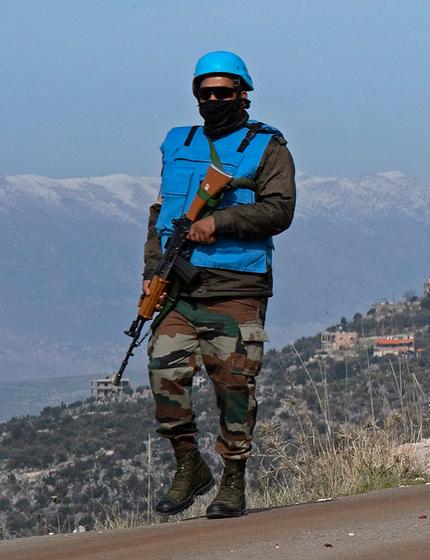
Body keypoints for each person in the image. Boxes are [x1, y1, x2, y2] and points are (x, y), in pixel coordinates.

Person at [145, 51, 295, 518]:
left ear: (243, 94)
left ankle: (233, 479)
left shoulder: (266, 147)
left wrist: (222, 222)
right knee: (164, 377)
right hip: (179, 287)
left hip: (237, 286)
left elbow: (279, 210)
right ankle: (189, 465)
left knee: (233, 387)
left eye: (222, 93)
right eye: (204, 93)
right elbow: (160, 214)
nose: (212, 101)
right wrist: (151, 272)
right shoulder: (178, 143)